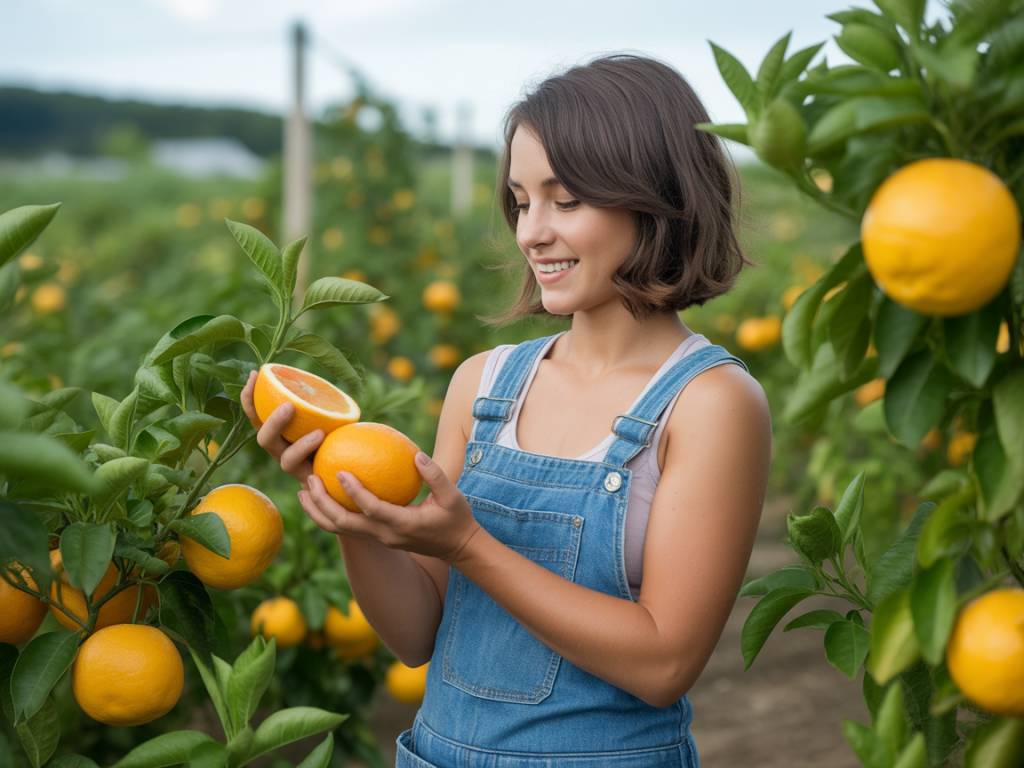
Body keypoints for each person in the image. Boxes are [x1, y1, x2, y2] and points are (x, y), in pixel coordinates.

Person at [241, 52, 772, 768]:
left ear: (657, 198)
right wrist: (356, 521)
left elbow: (663, 663)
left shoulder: (710, 403)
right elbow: (415, 636)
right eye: (521, 202)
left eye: (566, 200)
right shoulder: (485, 386)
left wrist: (468, 545)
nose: (530, 233)